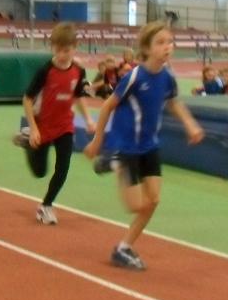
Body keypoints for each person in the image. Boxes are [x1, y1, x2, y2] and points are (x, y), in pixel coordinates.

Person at [84, 21, 204, 270]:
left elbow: (173, 102)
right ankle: (113, 162)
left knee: (153, 201)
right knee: (135, 206)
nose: (167, 47)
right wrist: (97, 141)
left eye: (170, 42)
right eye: (160, 42)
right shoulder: (135, 77)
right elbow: (107, 106)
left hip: (149, 146)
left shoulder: (167, 77)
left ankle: (123, 248)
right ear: (147, 48)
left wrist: (190, 125)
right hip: (126, 147)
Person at [12, 23, 95, 225]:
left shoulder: (79, 71)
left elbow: (78, 96)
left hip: (65, 125)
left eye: (67, 50)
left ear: (75, 47)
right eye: (58, 50)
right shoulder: (45, 71)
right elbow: (27, 99)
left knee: (63, 167)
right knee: (39, 172)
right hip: (43, 125)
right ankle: (27, 143)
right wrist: (33, 128)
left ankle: (46, 205)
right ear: (52, 48)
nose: (62, 55)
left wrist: (88, 119)